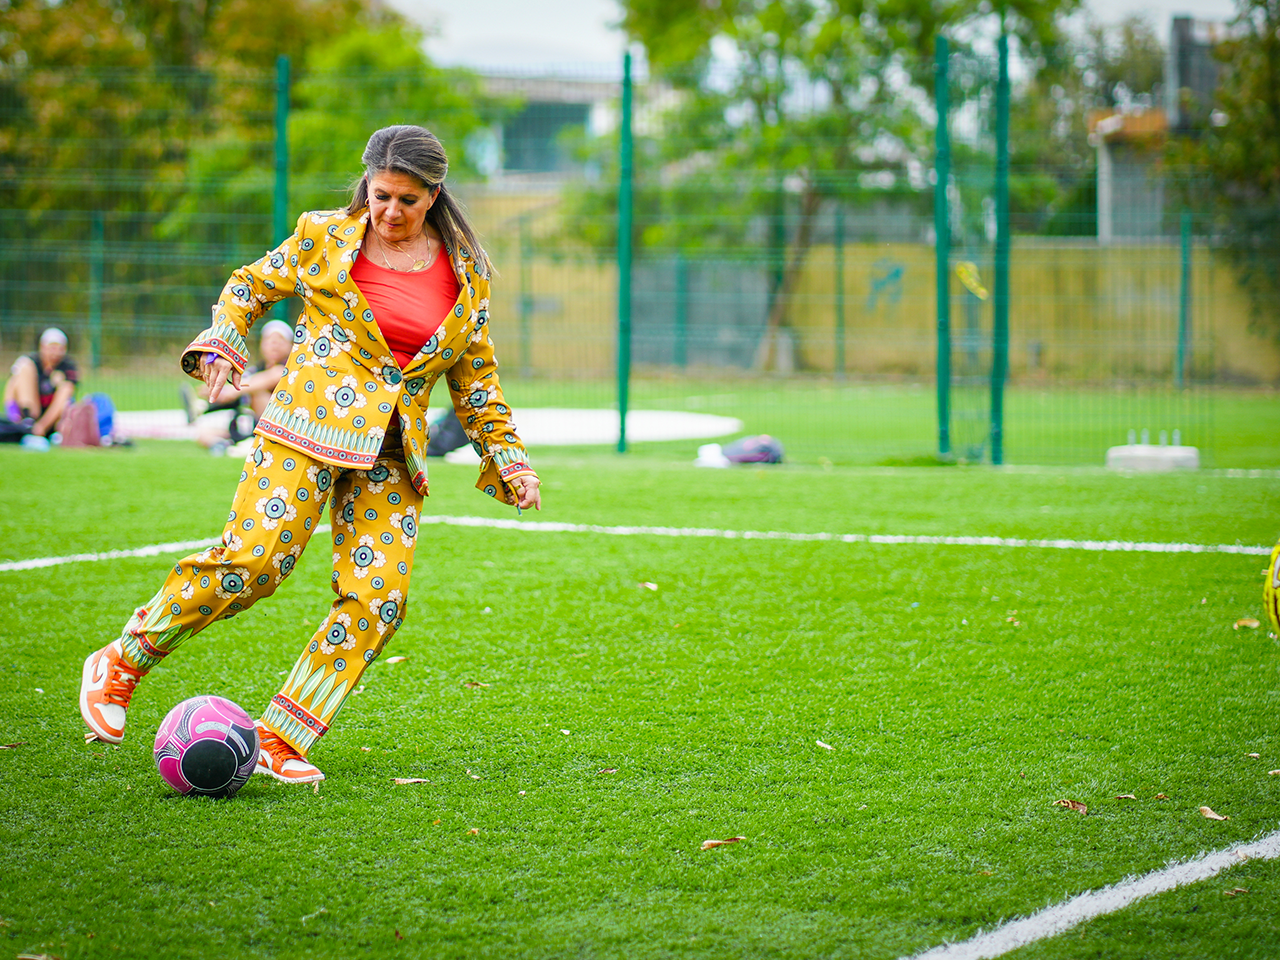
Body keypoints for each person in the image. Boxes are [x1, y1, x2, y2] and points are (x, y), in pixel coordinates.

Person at [79, 125, 542, 783]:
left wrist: (510, 459)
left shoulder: (467, 272)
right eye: (381, 195)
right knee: (257, 562)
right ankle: (123, 659)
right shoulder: (323, 237)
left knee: (377, 601)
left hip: (391, 453)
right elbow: (248, 285)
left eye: (407, 200)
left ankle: (279, 739)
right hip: (304, 429)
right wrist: (222, 342)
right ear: (368, 184)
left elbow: (478, 381)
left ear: (434, 195)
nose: (389, 212)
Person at [183, 319, 293, 451]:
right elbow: (238, 394)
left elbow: (272, 376)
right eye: (269, 340)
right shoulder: (254, 371)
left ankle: (258, 441)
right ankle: (225, 445)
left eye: (280, 340)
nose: (274, 344)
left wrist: (232, 390)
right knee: (203, 434)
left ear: (290, 346)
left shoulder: (291, 368)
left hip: (280, 426)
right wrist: (219, 394)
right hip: (248, 423)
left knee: (257, 393)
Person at [4, 327, 78, 437]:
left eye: (59, 348)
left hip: (52, 419)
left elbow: (67, 394)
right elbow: (11, 390)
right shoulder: (30, 362)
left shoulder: (67, 367)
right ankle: (27, 421)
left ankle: (42, 428)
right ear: (42, 347)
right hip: (33, 410)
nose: (56, 353)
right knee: (22, 371)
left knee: (66, 388)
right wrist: (13, 416)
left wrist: (41, 427)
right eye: (52, 348)